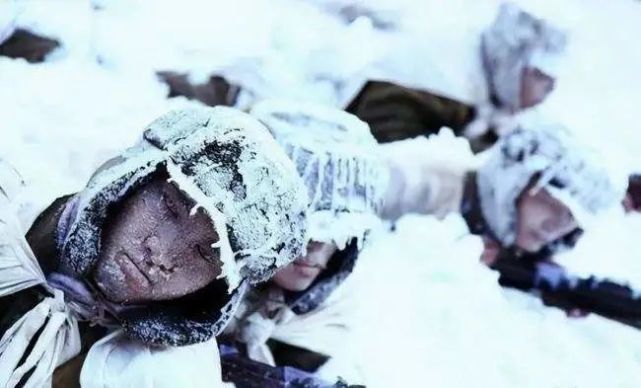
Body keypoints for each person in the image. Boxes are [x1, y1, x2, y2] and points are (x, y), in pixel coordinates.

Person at [0, 106, 309, 387]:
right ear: (132, 180)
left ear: (217, 288)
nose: (161, 256)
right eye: (168, 209)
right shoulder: (9, 217)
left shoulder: (164, 377)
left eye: (204, 253)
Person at [219, 100, 388, 387]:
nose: (317, 247)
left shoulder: (333, 306)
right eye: (305, 226)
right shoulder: (193, 264)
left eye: (340, 232)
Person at [380, 117, 623, 264]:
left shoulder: (524, 257)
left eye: (572, 218)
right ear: (519, 179)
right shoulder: (414, 178)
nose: (555, 225)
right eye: (552, 202)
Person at [346, 2, 568, 152]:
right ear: (511, 62)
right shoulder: (440, 83)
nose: (548, 91)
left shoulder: (491, 92)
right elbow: (379, 159)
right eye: (541, 77)